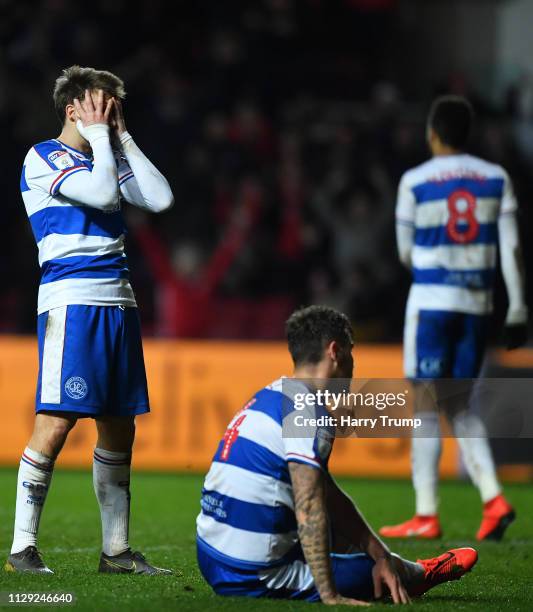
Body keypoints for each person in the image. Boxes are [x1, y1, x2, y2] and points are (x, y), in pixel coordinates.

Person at [5, 65, 174, 575]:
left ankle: (116, 552)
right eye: (101, 105)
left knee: (119, 426)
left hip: (119, 302)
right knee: (56, 423)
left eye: (115, 106)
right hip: (72, 301)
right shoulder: (43, 156)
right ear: (72, 108)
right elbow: (102, 195)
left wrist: (122, 137)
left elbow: (161, 199)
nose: (109, 113)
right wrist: (104, 140)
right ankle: (22, 549)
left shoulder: (107, 153)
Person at [196, 305, 478, 604]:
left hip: (211, 557)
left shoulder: (271, 394)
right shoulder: (309, 413)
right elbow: (310, 504)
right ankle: (419, 573)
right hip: (252, 574)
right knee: (372, 574)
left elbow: (326, 493)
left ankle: (386, 560)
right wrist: (330, 594)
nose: (354, 362)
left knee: (345, 531)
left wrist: (378, 551)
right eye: (351, 350)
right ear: (335, 351)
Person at [380, 95, 527, 541]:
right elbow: (512, 249)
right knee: (459, 403)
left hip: (431, 301)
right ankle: (493, 497)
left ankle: (426, 513)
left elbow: (406, 252)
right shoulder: (495, 178)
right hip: (478, 304)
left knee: (425, 405)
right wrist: (518, 305)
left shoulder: (415, 181)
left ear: (433, 132)